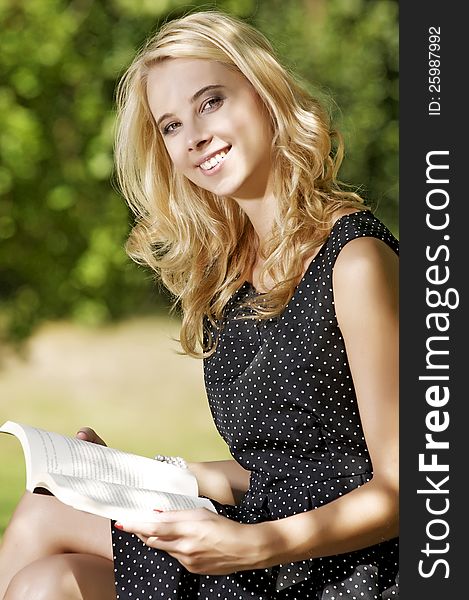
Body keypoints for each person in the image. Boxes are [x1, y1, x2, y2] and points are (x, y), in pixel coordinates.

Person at [0, 9, 399, 600]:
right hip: (264, 542)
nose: (195, 136)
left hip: (339, 568)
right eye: (170, 126)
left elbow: (414, 488)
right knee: (48, 570)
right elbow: (282, 468)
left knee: (43, 531)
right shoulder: (233, 278)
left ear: (265, 94)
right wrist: (125, 476)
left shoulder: (357, 261)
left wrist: (254, 546)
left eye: (210, 101)